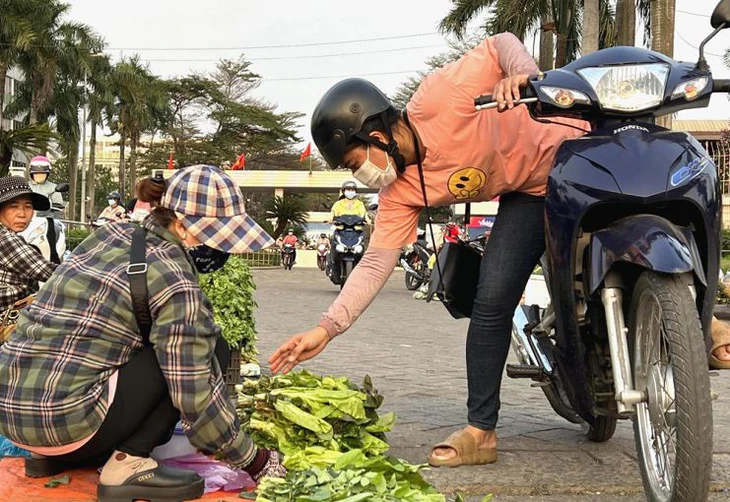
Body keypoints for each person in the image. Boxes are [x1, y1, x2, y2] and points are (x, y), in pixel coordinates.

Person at [269, 33, 588, 468]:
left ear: (375, 134)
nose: (359, 174)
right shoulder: (400, 192)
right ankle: (481, 431)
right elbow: (377, 261)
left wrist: (523, 73)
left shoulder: (441, 95)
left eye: (352, 161)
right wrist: (325, 329)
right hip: (528, 194)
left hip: (580, 157)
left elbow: (500, 44)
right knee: (491, 299)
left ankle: (704, 330)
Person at [0, 165, 283, 501]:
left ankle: (46, 457)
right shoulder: (174, 280)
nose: (223, 249)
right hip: (66, 424)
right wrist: (256, 460)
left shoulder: (111, 234)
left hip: (12, 413)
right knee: (211, 348)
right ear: (181, 225)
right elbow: (194, 391)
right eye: (217, 237)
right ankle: (128, 462)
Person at [0, 176, 57, 342]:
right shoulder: (4, 238)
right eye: (13, 206)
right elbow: (49, 271)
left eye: (28, 206)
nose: (22, 214)